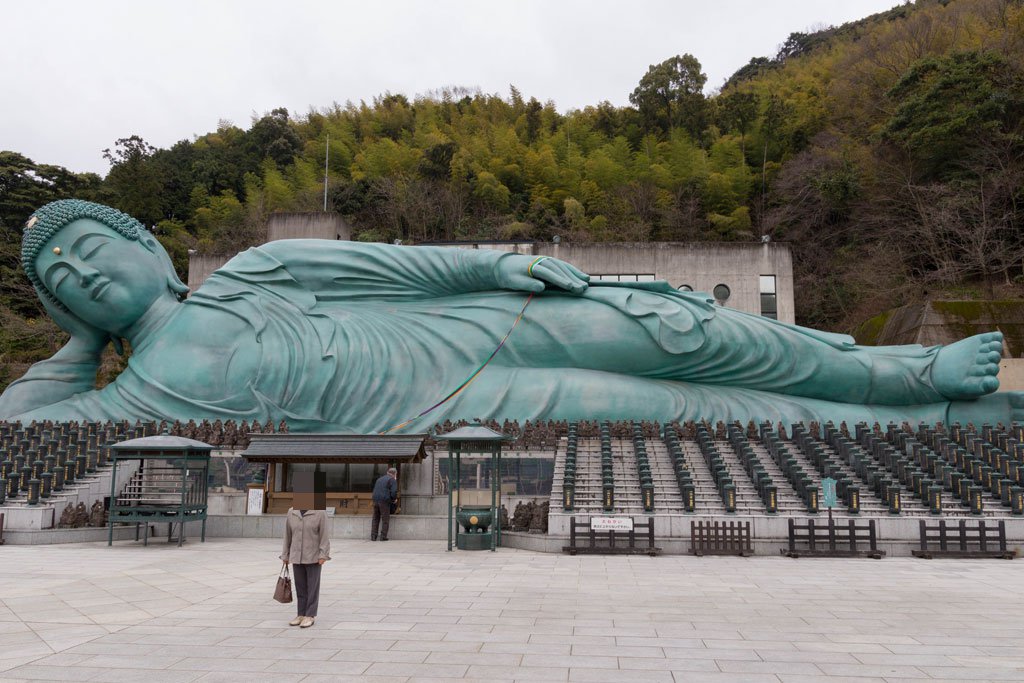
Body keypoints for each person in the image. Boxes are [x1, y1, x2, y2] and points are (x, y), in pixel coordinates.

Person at [1, 198, 1021, 430]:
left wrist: (500, 263)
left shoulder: (256, 269)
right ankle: (928, 421)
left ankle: (899, 372)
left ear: (148, 246)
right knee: (683, 411)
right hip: (453, 408)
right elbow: (17, 423)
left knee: (678, 328)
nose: (82, 273)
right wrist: (83, 346)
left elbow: (400, 268)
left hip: (466, 328)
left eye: (90, 248)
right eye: (63, 280)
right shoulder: (133, 395)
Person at [280, 472, 331, 628]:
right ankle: (301, 614)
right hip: (296, 555)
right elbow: (287, 535)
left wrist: (323, 555)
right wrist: (285, 555)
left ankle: (310, 615)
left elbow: (324, 536)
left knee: (312, 587)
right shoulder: (292, 512)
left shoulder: (320, 512)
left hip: (313, 556)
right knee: (300, 587)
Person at [371, 467, 398, 541]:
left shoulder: (379, 479)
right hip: (384, 501)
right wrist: (394, 499)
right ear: (394, 474)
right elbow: (394, 492)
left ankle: (373, 536)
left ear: (387, 472)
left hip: (375, 500)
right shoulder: (392, 480)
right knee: (385, 519)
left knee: (375, 518)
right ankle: (383, 536)